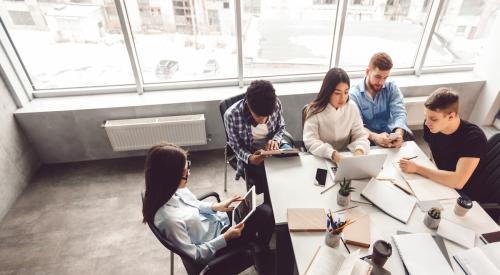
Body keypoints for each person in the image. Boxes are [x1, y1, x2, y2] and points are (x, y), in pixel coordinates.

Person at [142, 143, 274, 274]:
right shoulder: (169, 221)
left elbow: (195, 204)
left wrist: (215, 206)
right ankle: (260, 252)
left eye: (188, 167)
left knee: (259, 212)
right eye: (184, 171)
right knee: (265, 213)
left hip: (217, 223)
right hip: (217, 244)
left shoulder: (170, 190)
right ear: (170, 177)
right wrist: (226, 237)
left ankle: (258, 247)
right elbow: (196, 256)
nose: (189, 173)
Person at [399, 88, 487, 197]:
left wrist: (418, 168)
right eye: (426, 117)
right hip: (441, 181)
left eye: (433, 119)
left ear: (451, 116)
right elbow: (434, 156)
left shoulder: (474, 138)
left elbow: (458, 182)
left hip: (463, 194)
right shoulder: (431, 126)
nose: (427, 123)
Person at [224, 80, 291, 203]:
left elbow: (281, 126)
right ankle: (271, 205)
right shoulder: (231, 116)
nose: (263, 121)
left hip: (273, 145)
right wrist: (250, 158)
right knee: (268, 179)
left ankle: (286, 197)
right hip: (250, 151)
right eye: (259, 116)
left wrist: (275, 139)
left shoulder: (275, 104)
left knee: (291, 163)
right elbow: (235, 145)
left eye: (267, 116)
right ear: (249, 105)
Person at [303, 68, 370, 163]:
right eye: (337, 93)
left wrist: (358, 153)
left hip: (346, 156)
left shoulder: (352, 107)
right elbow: (311, 141)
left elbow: (360, 135)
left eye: (346, 92)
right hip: (322, 158)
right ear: (328, 91)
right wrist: (333, 154)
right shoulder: (314, 110)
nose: (343, 98)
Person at [350, 52, 412, 148]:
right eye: (378, 77)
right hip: (369, 137)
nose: (381, 82)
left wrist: (399, 133)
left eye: (385, 78)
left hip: (391, 133)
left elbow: (400, 113)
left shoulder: (391, 87)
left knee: (408, 138)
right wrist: (375, 137)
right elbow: (357, 126)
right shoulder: (354, 95)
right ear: (367, 72)